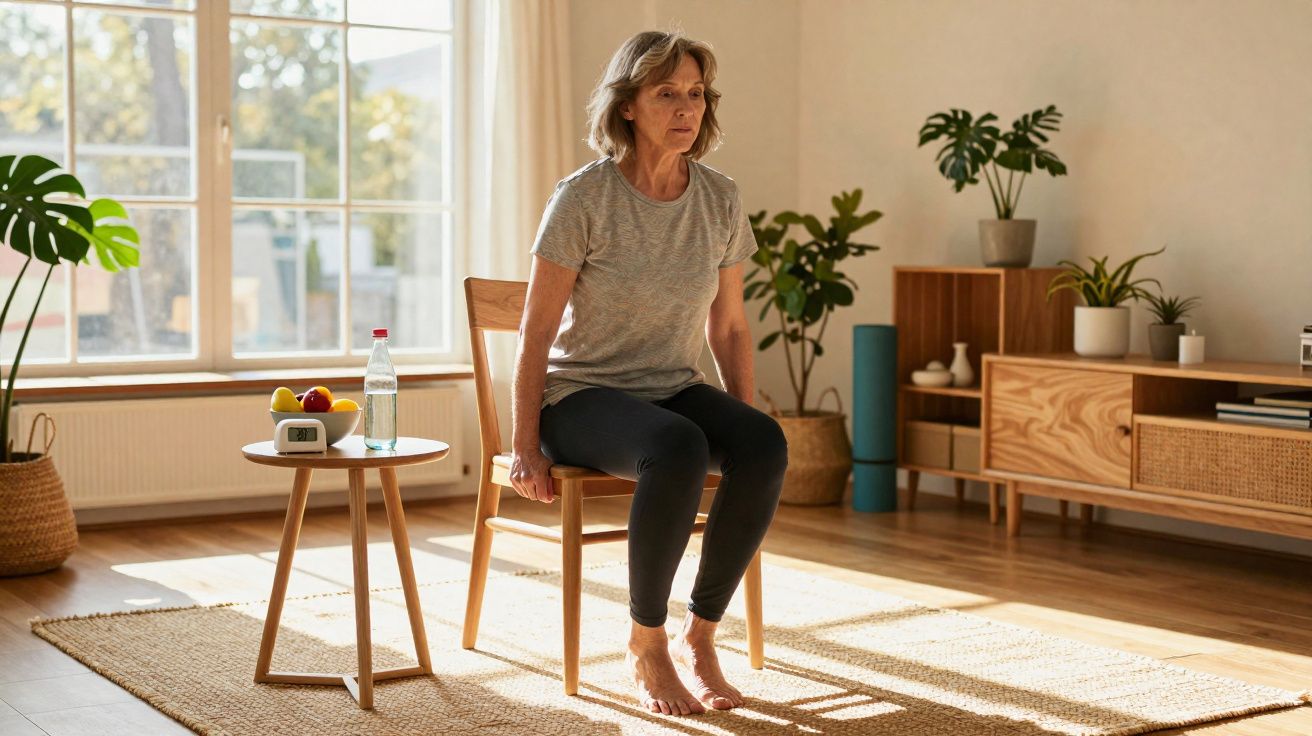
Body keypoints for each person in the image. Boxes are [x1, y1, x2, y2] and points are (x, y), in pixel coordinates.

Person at [509, 30, 789, 716]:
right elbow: (536, 331)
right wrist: (524, 446)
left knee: (765, 442)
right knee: (676, 444)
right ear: (628, 105)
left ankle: (701, 634)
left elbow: (728, 326)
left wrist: (744, 426)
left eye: (695, 93)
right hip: (581, 396)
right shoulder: (584, 198)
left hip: (672, 387)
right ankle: (646, 643)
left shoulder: (719, 198)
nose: (685, 107)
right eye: (667, 93)